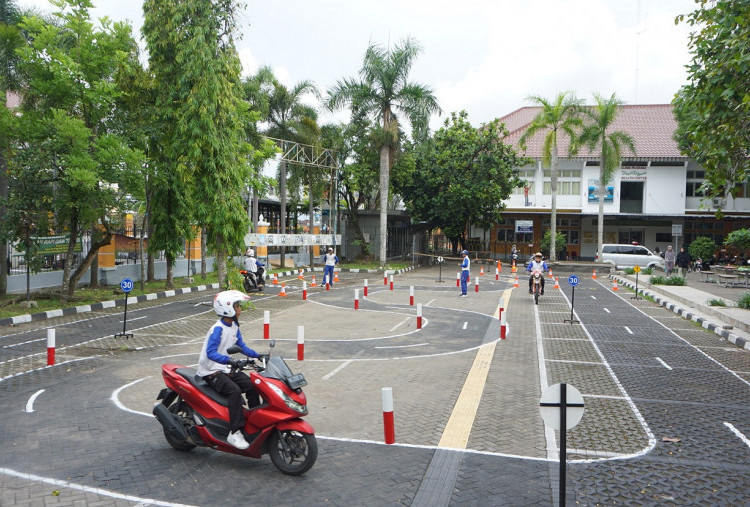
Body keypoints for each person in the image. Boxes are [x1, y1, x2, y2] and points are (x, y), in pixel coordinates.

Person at [196, 290, 264, 450]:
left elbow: (241, 345)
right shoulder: (217, 329)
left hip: (226, 369)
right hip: (211, 371)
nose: (240, 309)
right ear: (228, 308)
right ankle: (235, 432)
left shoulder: (233, 326)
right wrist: (229, 360)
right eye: (237, 306)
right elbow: (210, 353)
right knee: (234, 391)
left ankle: (254, 421)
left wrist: (258, 355)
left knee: (253, 385)